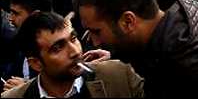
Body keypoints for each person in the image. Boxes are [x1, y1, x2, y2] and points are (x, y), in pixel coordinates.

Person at [2, 11, 145, 98]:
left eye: (73, 38)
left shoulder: (118, 75)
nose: (75, 51)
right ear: (35, 63)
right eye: (58, 48)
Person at [2, 0, 54, 92]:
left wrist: (29, 88)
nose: (10, 19)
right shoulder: (20, 42)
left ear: (34, 15)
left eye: (15, 13)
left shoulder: (56, 50)